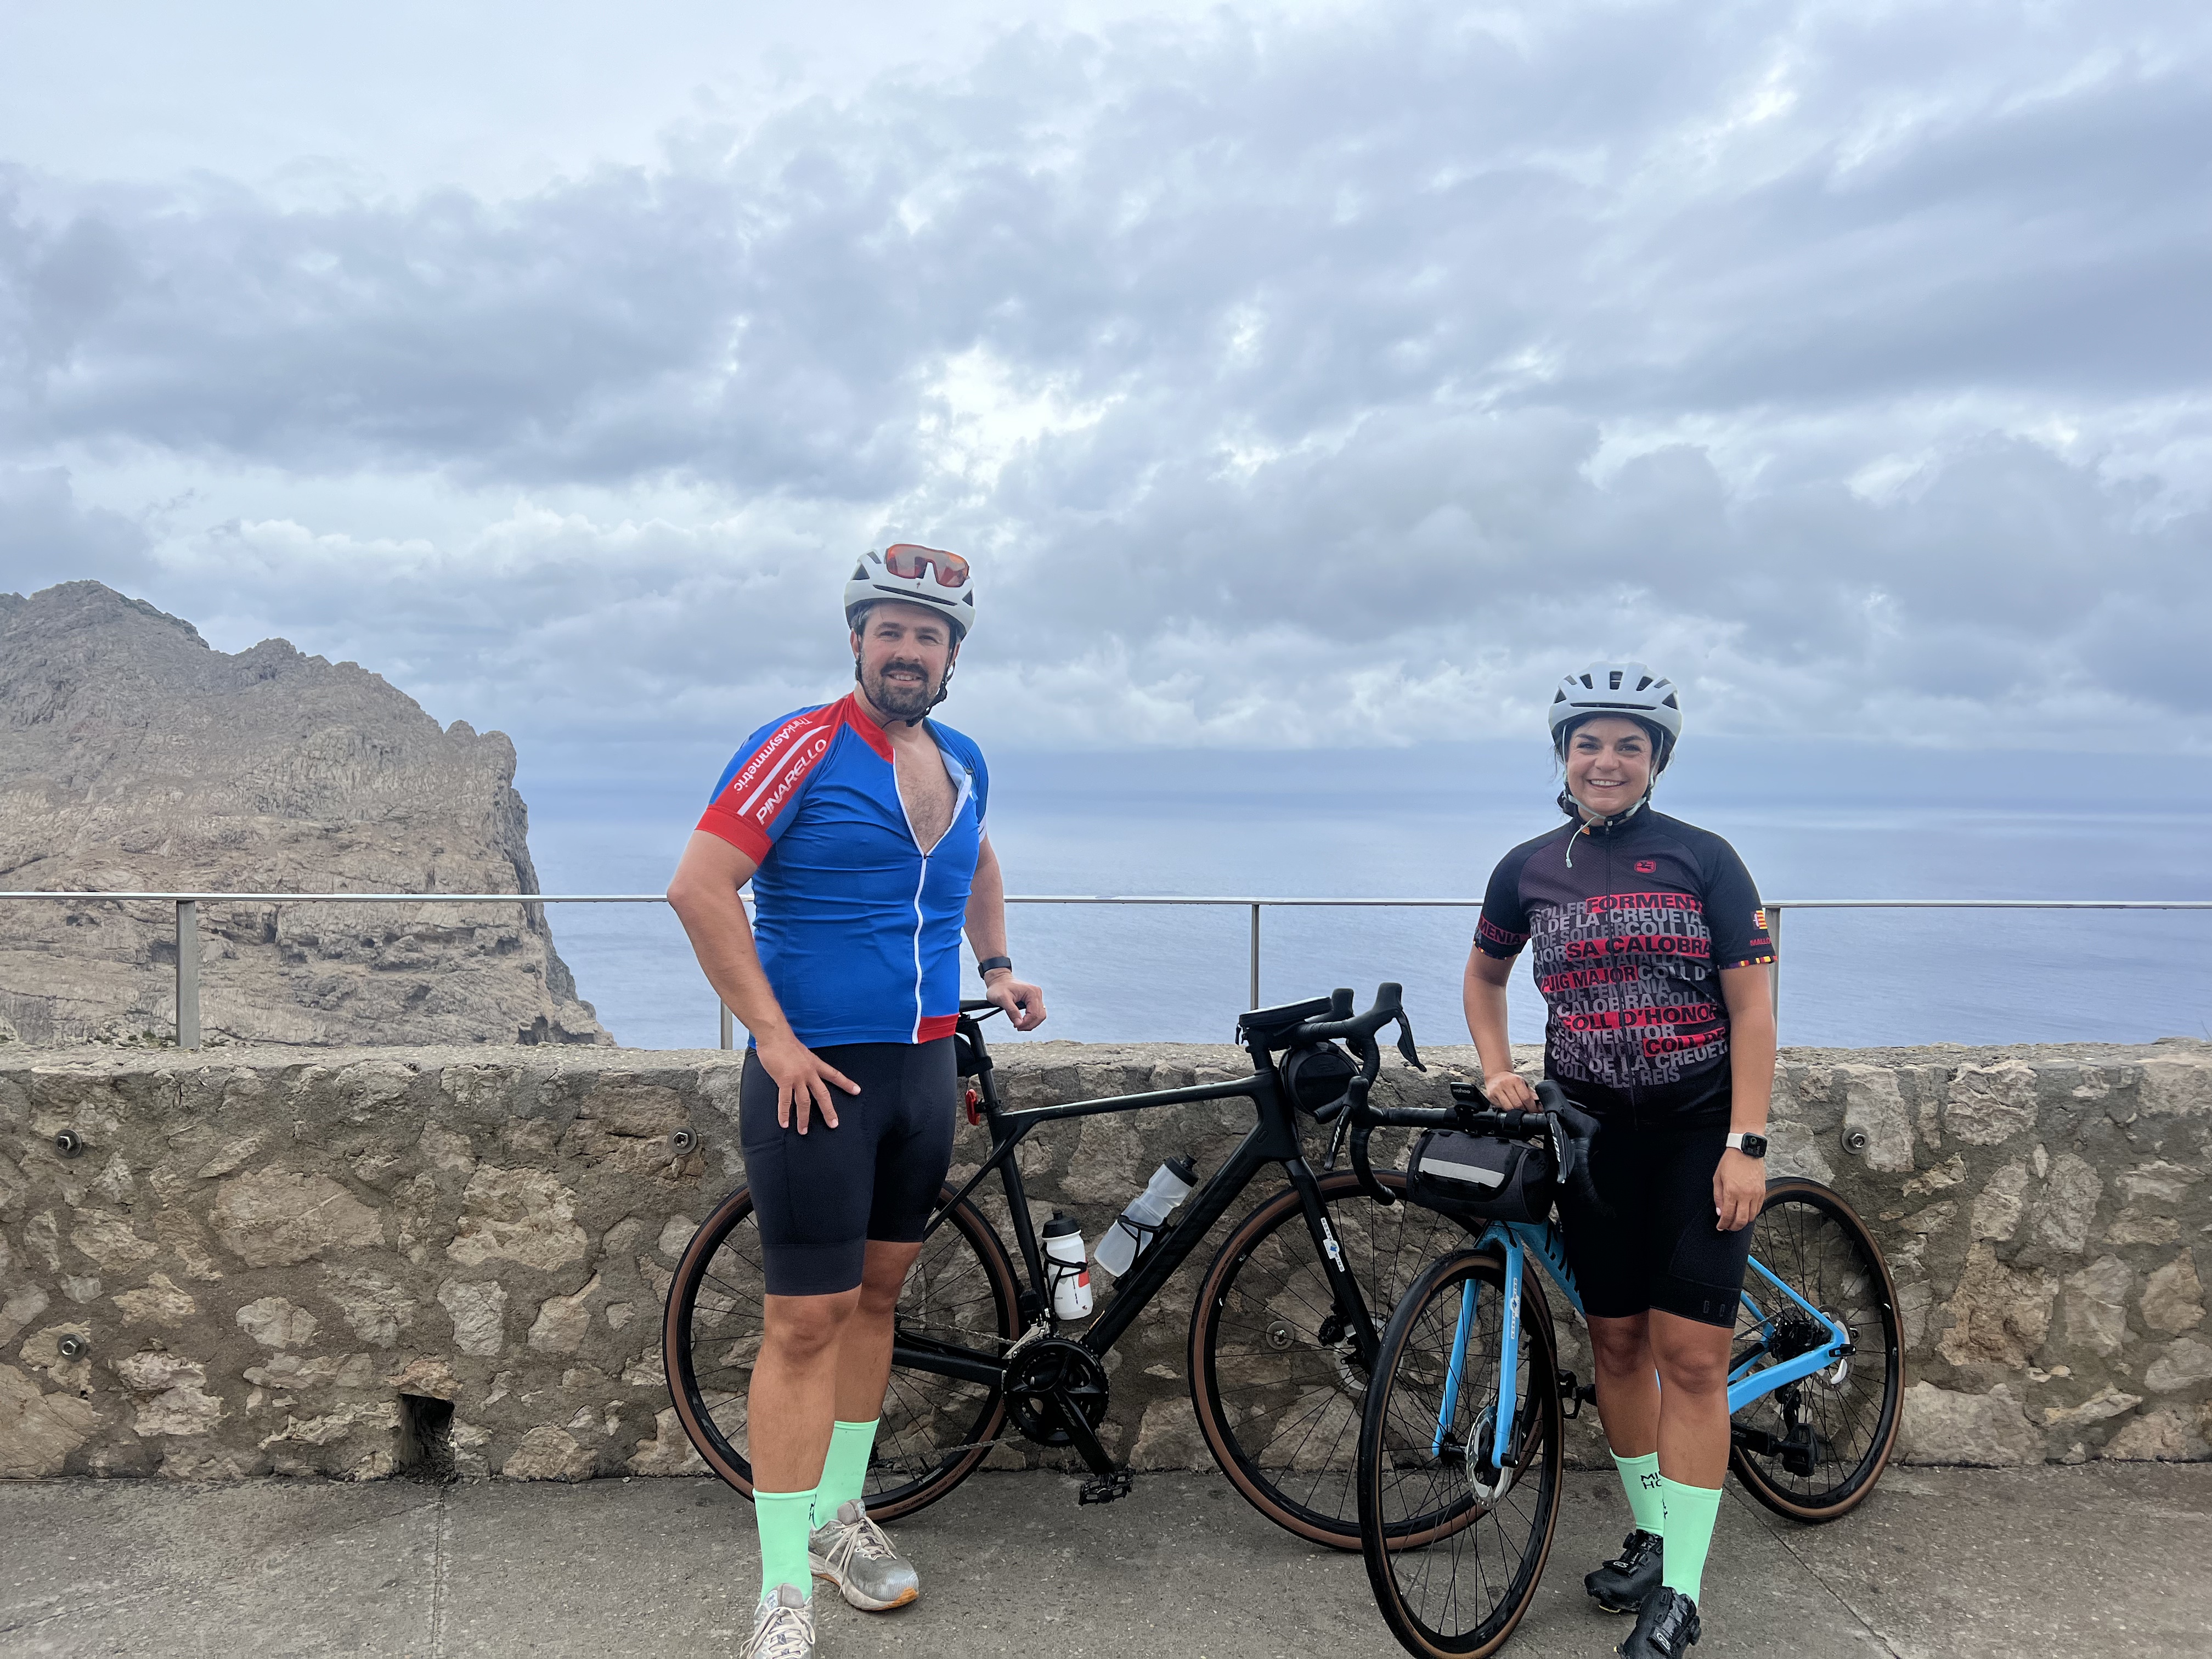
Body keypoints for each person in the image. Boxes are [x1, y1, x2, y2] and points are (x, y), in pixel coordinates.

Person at [667, 545, 1046, 1659]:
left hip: (924, 1070)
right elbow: (700, 886)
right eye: (891, 631)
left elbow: (977, 863)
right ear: (858, 642)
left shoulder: (964, 759)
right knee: (803, 1323)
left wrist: (998, 966)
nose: (908, 650)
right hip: (819, 1077)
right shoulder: (798, 745)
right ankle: (782, 1586)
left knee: (879, 1301)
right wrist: (773, 1038)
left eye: (929, 635)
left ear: (952, 656)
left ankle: (839, 1517)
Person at [1462, 662, 1776, 1659]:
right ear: (1564, 755)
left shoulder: (1705, 860)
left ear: (1657, 761)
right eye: (1588, 743)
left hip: (1697, 1137)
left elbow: (1753, 1010)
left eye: (1628, 746)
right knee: (1618, 1349)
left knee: (1694, 1359)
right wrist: (1497, 1067)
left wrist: (1746, 1145)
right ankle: (1654, 1531)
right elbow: (1485, 975)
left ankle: (1682, 1590)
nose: (1606, 761)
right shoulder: (1527, 868)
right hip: (1590, 1139)